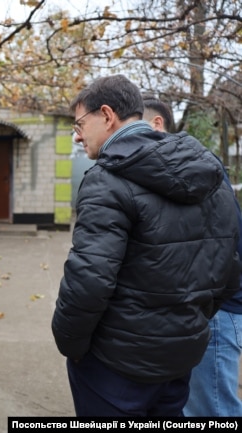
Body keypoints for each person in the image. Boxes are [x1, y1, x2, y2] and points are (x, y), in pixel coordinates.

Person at [51, 74, 241, 416]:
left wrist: (71, 344)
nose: (77, 135)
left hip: (116, 365)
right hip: (180, 361)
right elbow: (228, 265)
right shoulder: (208, 169)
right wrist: (190, 324)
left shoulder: (105, 180)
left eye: (80, 124)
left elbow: (89, 281)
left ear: (107, 116)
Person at [143, 96, 242, 416]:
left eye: (132, 127)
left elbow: (228, 243)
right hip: (200, 311)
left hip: (215, 312)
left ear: (157, 124)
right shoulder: (176, 169)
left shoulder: (193, 170)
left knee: (212, 408)